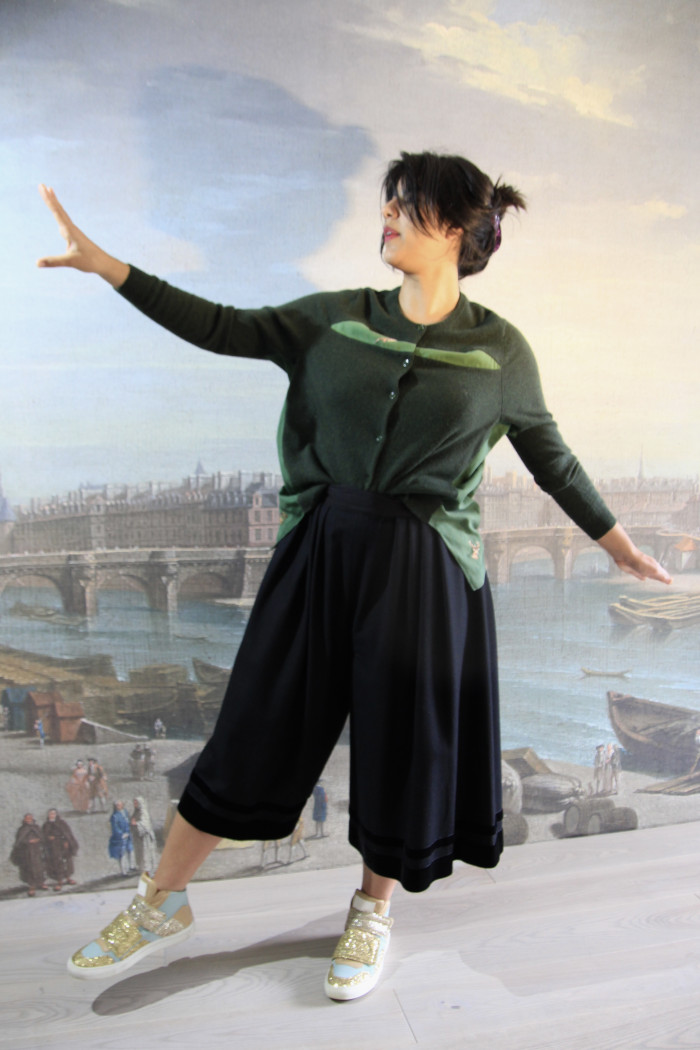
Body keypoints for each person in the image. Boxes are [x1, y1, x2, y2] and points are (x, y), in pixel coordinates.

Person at [38, 151, 671, 997]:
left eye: (405, 205)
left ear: (455, 227)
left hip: (425, 570)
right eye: (388, 203)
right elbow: (221, 326)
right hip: (323, 549)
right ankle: (162, 903)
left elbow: (550, 456)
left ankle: (371, 911)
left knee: (398, 745)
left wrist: (615, 543)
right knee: (254, 726)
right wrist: (109, 267)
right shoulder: (332, 319)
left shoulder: (501, 351)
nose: (388, 217)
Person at [10, 814, 48, 896]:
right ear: (24, 819)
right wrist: (28, 841)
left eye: (30, 818)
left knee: (40, 867)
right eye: (27, 818)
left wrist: (38, 840)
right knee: (30, 869)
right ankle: (32, 886)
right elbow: (19, 841)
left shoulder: (37, 827)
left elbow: (42, 837)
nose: (29, 819)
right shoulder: (22, 829)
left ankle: (41, 883)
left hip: (37, 851)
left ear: (32, 819)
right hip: (27, 852)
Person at [42, 808, 79, 891]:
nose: (52, 815)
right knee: (56, 863)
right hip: (52, 847)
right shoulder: (46, 825)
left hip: (63, 845)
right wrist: (48, 837)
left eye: (53, 813)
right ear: (48, 815)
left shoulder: (62, 823)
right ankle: (59, 882)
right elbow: (43, 835)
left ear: (56, 815)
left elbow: (67, 833)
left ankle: (68, 878)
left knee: (67, 861)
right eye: (50, 814)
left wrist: (66, 841)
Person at [130, 797, 158, 875]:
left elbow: (145, 824)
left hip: (145, 838)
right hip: (138, 838)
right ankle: (141, 868)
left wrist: (136, 823)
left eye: (136, 803)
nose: (135, 804)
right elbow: (132, 821)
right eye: (134, 803)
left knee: (146, 853)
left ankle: (148, 869)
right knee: (139, 854)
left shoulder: (143, 812)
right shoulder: (136, 812)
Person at [108, 801, 135, 876]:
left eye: (120, 805)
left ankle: (132, 867)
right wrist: (121, 834)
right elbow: (115, 828)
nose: (119, 806)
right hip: (120, 838)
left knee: (130, 850)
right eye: (117, 805)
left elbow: (128, 822)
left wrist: (129, 830)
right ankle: (124, 871)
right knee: (122, 854)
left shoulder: (125, 812)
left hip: (128, 835)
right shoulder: (114, 816)